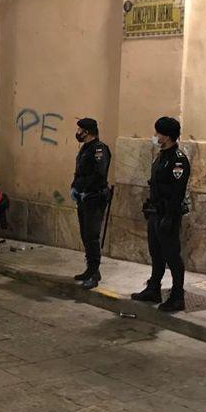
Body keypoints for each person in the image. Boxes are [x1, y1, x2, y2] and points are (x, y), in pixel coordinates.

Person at [131, 117, 191, 312]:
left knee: (172, 256)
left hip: (168, 216)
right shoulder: (162, 156)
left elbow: (177, 193)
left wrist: (169, 218)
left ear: (166, 136)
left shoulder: (178, 160)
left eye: (158, 133)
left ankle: (177, 296)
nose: (155, 136)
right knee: (156, 253)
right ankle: (153, 288)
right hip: (155, 213)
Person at [70, 118, 112, 289]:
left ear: (87, 132)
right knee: (85, 235)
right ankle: (90, 268)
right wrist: (74, 187)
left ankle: (94, 274)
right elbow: (79, 172)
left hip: (94, 198)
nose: (78, 132)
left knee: (92, 236)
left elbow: (98, 174)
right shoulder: (85, 148)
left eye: (80, 130)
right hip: (84, 198)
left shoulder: (99, 149)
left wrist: (84, 188)